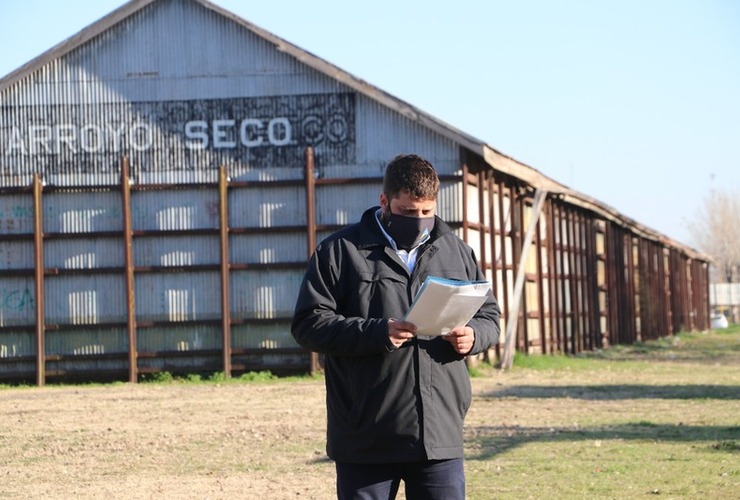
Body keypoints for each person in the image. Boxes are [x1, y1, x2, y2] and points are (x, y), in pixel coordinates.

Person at [291, 153, 501, 499]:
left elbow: (490, 315)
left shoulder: (457, 251)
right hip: (366, 434)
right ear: (384, 202)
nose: (418, 220)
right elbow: (309, 324)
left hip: (439, 434)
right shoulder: (340, 251)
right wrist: (377, 333)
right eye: (407, 212)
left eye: (427, 213)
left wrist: (474, 337)